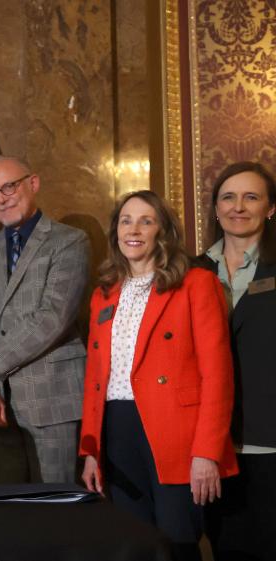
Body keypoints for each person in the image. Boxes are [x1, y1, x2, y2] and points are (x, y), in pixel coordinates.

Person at [80, 190, 238, 561]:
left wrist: (206, 452)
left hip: (176, 432)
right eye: (125, 220)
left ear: (162, 231)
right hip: (117, 429)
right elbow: (94, 379)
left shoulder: (197, 284)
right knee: (133, 543)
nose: (133, 229)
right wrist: (90, 451)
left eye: (146, 221)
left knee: (177, 541)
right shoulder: (104, 294)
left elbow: (218, 374)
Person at [0, 156, 89, 484]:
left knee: (57, 515)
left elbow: (53, 318)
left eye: (9, 187)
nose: (2, 198)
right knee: (8, 515)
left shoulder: (70, 242)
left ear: (33, 183)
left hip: (52, 401)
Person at [196, 162, 276, 561]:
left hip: (270, 441)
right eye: (228, 197)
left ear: (271, 208)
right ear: (215, 208)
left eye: (251, 197)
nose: (238, 207)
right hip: (211, 447)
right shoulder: (190, 271)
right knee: (227, 549)